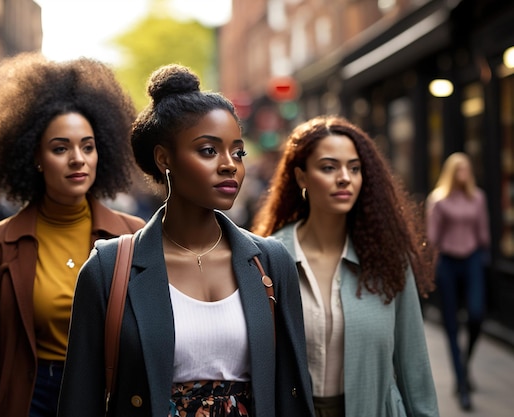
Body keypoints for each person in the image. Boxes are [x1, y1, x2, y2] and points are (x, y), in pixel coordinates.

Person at [59, 64, 316, 417]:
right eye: (209, 150)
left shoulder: (271, 261)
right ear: (165, 158)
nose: (230, 165)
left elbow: (292, 393)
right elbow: (79, 402)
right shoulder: (107, 270)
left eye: (237, 152)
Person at [0, 53, 145, 417]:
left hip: (104, 398)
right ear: (36, 157)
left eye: (88, 146)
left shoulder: (134, 237)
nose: (78, 158)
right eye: (61, 148)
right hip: (30, 399)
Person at [252, 115, 439, 417]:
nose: (344, 178)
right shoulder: (269, 259)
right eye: (328, 167)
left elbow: (413, 367)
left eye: (354, 168)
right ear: (301, 177)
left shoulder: (389, 259)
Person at [426, 152, 490, 411]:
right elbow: (432, 238)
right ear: (452, 172)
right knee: (451, 325)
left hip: (473, 259)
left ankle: (464, 361)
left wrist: (485, 259)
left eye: (467, 168)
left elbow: (483, 232)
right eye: (459, 169)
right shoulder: (438, 201)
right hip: (448, 263)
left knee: (476, 315)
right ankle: (462, 385)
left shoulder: (478, 198)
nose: (464, 173)